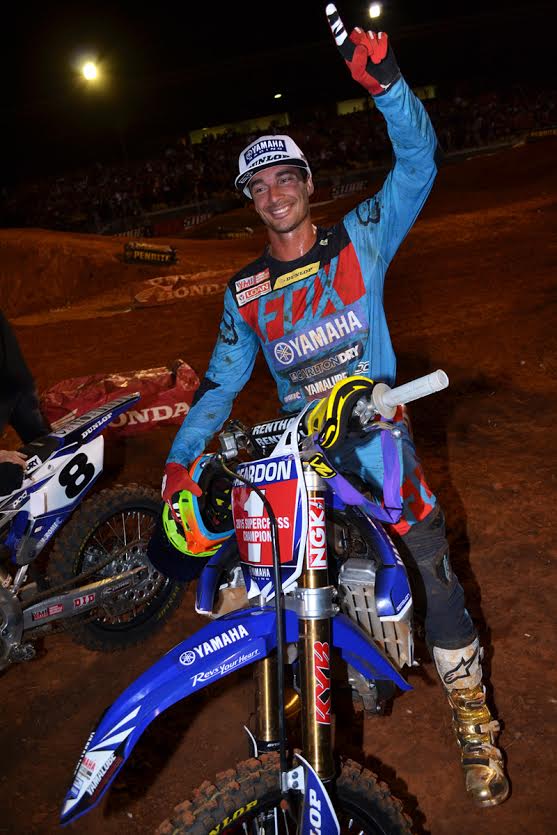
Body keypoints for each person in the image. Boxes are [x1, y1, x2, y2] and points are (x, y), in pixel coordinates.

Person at [157, 8, 509, 808]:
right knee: (250, 575)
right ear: (250, 202)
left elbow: (417, 162)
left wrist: (387, 87)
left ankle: (471, 718)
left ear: (309, 184)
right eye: (258, 186)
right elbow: (218, 385)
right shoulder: (246, 290)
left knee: (431, 561)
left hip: (376, 432)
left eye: (285, 178)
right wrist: (179, 462)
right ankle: (288, 727)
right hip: (296, 449)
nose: (273, 193)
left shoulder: (360, 238)